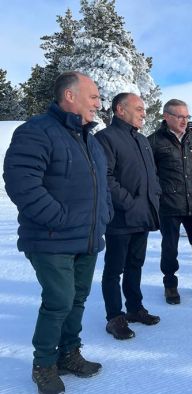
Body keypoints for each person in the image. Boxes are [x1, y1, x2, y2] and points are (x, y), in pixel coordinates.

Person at [3, 71, 112, 394]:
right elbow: (21, 183)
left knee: (77, 298)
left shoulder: (89, 138)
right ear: (70, 96)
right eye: (92, 97)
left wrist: (104, 214)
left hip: (87, 236)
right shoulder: (37, 131)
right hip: (51, 237)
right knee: (59, 300)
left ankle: (69, 353)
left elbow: (101, 185)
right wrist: (58, 217)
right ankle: (44, 364)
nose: (97, 103)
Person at [95, 93, 161, 340]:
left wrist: (155, 196)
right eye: (139, 108)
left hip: (143, 216)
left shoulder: (142, 140)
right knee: (114, 269)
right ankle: (115, 317)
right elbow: (106, 177)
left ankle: (134, 308)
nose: (144, 113)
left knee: (136, 264)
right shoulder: (105, 138)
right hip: (120, 218)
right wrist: (129, 203)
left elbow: (151, 176)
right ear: (120, 110)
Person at [148, 99, 192, 305]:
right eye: (180, 116)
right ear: (166, 116)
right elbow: (150, 174)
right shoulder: (154, 141)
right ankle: (170, 285)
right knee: (170, 248)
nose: (184, 120)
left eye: (187, 116)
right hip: (169, 204)